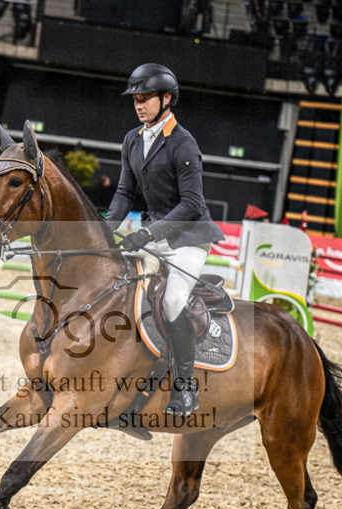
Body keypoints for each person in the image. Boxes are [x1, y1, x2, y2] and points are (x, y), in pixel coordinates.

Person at [107, 63, 224, 416]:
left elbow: (192, 204)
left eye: (145, 98)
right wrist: (105, 229)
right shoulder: (132, 139)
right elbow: (124, 193)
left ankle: (186, 388)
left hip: (188, 237)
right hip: (155, 235)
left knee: (173, 301)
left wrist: (148, 233)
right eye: (135, 100)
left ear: (166, 99)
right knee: (121, 288)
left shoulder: (183, 143)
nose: (138, 105)